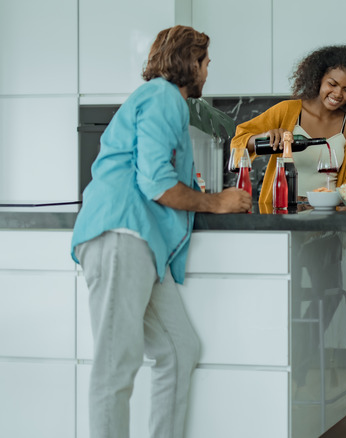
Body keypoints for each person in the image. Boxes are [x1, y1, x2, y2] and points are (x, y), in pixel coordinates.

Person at [70, 26, 251, 438]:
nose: (208, 71)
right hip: (120, 235)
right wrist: (215, 201)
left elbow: (156, 172)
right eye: (205, 63)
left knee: (178, 348)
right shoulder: (161, 97)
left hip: (142, 245)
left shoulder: (165, 101)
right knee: (115, 365)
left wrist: (199, 193)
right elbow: (156, 181)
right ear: (190, 63)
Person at [231, 45, 346, 204]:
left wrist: (328, 199)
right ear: (318, 79)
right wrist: (263, 136)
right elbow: (238, 141)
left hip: (330, 214)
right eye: (332, 84)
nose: (338, 94)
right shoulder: (286, 110)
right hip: (281, 210)